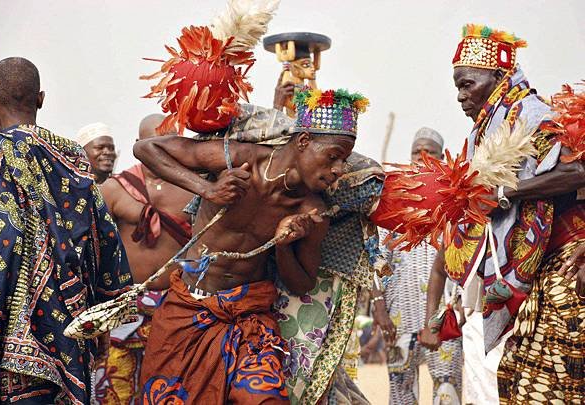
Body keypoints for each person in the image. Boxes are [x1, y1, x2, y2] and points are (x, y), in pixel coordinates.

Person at [135, 88, 368, 404]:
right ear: (302, 142)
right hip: (187, 307)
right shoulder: (240, 158)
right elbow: (146, 149)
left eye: (343, 160)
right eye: (332, 156)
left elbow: (302, 283)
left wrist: (284, 245)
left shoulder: (311, 211)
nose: (339, 169)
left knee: (263, 399)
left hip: (249, 320)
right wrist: (209, 189)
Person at [443, 24, 585, 403]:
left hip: (560, 264)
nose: (460, 96)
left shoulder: (536, 115)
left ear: (498, 75)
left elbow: (576, 172)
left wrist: (507, 192)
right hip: (507, 274)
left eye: (467, 84)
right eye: (457, 86)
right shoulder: (481, 132)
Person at [0, 57, 131, 404]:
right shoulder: (73, 161)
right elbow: (102, 238)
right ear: (41, 99)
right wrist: (99, 316)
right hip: (65, 327)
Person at [93, 114, 193, 404]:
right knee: (115, 395)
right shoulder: (114, 188)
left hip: (175, 310)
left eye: (171, 142)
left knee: (169, 393)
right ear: (139, 145)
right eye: (155, 142)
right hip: (123, 310)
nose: (164, 150)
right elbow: (89, 250)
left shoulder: (197, 190)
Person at [375, 128, 462, 404]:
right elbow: (379, 260)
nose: (422, 157)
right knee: (400, 386)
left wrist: (461, 301)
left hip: (444, 315)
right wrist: (379, 308)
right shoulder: (394, 201)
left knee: (446, 386)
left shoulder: (455, 200)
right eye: (417, 151)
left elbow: (464, 254)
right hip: (398, 315)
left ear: (443, 157)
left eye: (431, 152)